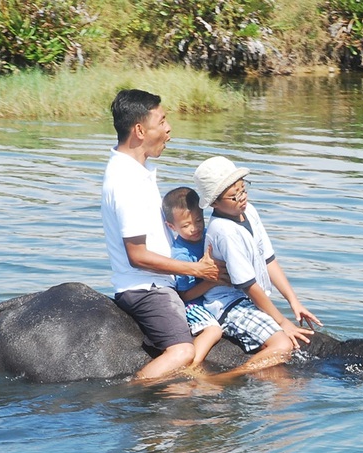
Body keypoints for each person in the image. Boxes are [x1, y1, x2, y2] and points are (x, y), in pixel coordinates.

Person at [100, 89, 221, 381]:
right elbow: (137, 255)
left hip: (158, 281)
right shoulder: (126, 181)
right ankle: (130, 391)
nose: (169, 129)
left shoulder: (137, 171)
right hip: (146, 288)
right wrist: (196, 269)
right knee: (182, 352)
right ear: (140, 130)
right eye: (162, 121)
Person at [192, 155, 322, 374]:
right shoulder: (224, 231)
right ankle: (226, 378)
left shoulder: (248, 211)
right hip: (229, 305)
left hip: (249, 299)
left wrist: (294, 302)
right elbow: (247, 284)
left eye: (243, 190)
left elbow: (268, 259)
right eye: (234, 196)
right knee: (283, 346)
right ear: (214, 202)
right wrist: (281, 321)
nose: (242, 198)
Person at [161, 186, 224, 368]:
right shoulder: (181, 254)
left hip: (210, 298)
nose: (194, 228)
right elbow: (184, 296)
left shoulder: (208, 236)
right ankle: (192, 366)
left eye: (198, 221)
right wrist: (212, 281)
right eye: (186, 226)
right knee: (213, 330)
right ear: (172, 227)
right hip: (191, 305)